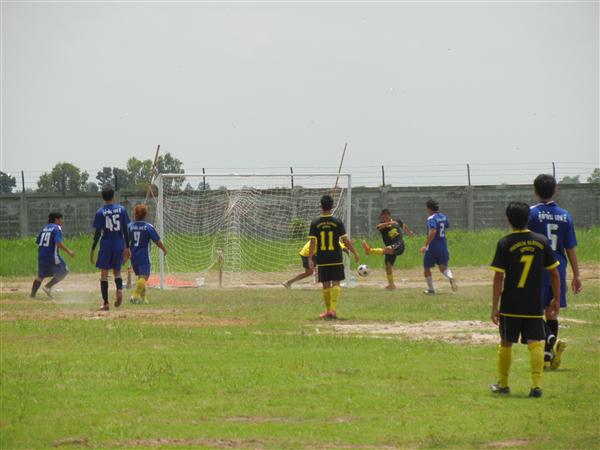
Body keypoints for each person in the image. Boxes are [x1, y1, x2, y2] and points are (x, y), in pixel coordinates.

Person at [489, 201, 560, 398]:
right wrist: (556, 298)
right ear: (528, 218)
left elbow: (499, 277)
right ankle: (536, 386)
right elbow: (554, 273)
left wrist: (494, 307)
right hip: (534, 304)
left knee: (506, 343)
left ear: (508, 219)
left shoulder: (505, 243)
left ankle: (503, 384)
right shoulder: (541, 242)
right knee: (535, 343)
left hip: (511, 304)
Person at [528, 174, 582, 370]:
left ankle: (550, 340)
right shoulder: (565, 215)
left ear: (535, 191)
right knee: (552, 311)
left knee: (532, 311)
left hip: (536, 267)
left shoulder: (531, 213)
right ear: (555, 190)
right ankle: (548, 354)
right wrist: (576, 274)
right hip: (558, 268)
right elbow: (570, 247)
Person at [308, 194, 359, 319]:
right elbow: (345, 240)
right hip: (336, 258)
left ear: (321, 206)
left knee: (325, 285)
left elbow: (312, 243)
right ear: (333, 206)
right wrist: (355, 252)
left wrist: (310, 258)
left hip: (323, 258)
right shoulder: (337, 222)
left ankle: (328, 311)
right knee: (336, 284)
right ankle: (333, 310)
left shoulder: (315, 223)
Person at [90, 187, 131, 311]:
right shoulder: (122, 210)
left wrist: (93, 249)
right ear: (113, 196)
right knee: (117, 272)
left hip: (106, 244)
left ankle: (106, 303)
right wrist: (127, 247)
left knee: (104, 274)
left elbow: (98, 233)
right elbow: (125, 229)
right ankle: (119, 290)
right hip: (119, 244)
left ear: (103, 197)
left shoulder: (100, 212)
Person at [362, 208, 414, 290]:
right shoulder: (382, 225)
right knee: (388, 266)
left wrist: (409, 232)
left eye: (386, 217)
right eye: (383, 217)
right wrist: (389, 223)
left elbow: (404, 226)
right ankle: (391, 285)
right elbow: (379, 227)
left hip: (399, 244)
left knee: (388, 249)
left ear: (389, 216)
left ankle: (370, 250)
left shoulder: (397, 221)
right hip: (390, 247)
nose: (384, 219)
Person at [127, 204, 167, 304]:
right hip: (144, 256)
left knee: (141, 277)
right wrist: (163, 249)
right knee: (145, 276)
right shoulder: (148, 227)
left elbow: (125, 241)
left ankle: (143, 299)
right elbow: (157, 241)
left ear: (135, 214)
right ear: (145, 215)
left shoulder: (130, 226)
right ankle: (135, 295)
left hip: (133, 256)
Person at [30, 212, 75, 299]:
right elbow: (58, 243)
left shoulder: (45, 228)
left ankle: (32, 296)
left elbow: (38, 241)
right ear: (56, 220)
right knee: (64, 271)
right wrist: (69, 251)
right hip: (52, 256)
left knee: (40, 276)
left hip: (41, 256)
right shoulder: (57, 228)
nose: (61, 221)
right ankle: (47, 287)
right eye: (61, 219)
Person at [420, 199, 457, 294]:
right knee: (443, 267)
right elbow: (446, 226)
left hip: (433, 246)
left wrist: (425, 245)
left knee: (427, 268)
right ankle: (451, 277)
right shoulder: (443, 216)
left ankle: (431, 289)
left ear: (429, 208)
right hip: (443, 245)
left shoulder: (431, 218)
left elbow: (433, 231)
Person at [283, 239, 349, 289]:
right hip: (308, 254)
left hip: (306, 253)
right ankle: (331, 283)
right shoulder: (329, 236)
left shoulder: (323, 233)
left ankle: (288, 282)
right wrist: (346, 249)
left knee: (309, 272)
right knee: (328, 264)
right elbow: (340, 245)